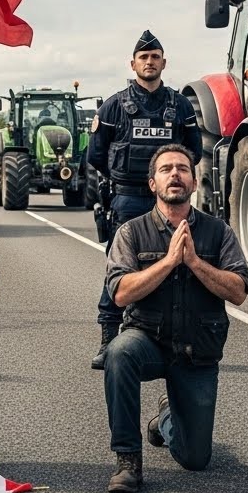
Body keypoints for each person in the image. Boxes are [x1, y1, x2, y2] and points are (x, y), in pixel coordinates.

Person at [101, 144, 247, 493]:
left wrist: (195, 262)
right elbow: (120, 292)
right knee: (118, 353)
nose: (175, 174)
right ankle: (127, 460)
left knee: (196, 459)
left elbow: (239, 291)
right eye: (166, 169)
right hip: (148, 340)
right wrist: (167, 262)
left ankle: (166, 418)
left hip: (197, 349)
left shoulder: (218, 232)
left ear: (194, 182)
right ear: (152, 184)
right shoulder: (131, 232)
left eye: (183, 168)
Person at [87, 29, 202, 370]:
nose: (149, 62)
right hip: (128, 200)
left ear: (163, 63)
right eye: (143, 57)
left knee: (180, 264)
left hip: (170, 203)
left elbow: (193, 151)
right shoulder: (113, 105)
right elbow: (95, 155)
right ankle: (109, 339)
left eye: (155, 57)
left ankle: (182, 339)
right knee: (120, 267)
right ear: (133, 63)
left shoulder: (180, 105)